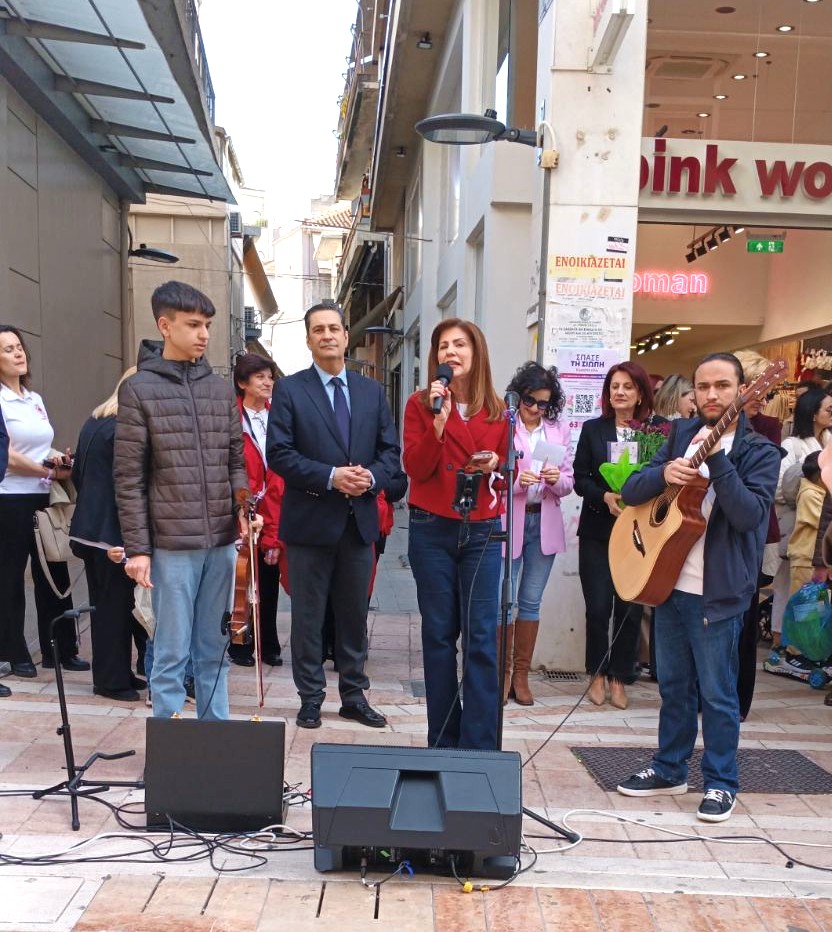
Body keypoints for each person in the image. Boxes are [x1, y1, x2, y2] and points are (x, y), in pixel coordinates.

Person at [616, 353, 780, 822]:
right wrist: (663, 473)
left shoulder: (760, 452)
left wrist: (718, 460)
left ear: (743, 391)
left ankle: (721, 781)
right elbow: (632, 491)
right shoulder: (679, 434)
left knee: (718, 693)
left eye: (722, 385)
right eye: (703, 386)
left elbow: (749, 516)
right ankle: (670, 768)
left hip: (717, 592)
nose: (711, 394)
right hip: (667, 584)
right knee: (673, 687)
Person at [115, 282, 250, 720]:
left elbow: (235, 460)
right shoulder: (139, 389)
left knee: (214, 651)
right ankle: (170, 747)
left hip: (221, 542)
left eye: (207, 325)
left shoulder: (219, 389)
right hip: (172, 545)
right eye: (193, 325)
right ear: (164, 325)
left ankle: (216, 741)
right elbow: (129, 477)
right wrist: (138, 549)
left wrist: (243, 508)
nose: (203, 334)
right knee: (171, 653)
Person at [267, 300, 401, 730]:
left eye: (333, 328)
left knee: (354, 615)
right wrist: (330, 477)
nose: (327, 335)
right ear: (308, 340)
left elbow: (390, 453)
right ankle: (310, 698)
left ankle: (353, 697)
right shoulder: (290, 390)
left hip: (358, 523)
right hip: (309, 523)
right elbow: (279, 454)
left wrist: (370, 478)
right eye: (318, 329)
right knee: (308, 617)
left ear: (346, 336)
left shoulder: (371, 392)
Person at [403, 318, 506, 749]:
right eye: (443, 345)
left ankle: (479, 746)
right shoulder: (419, 404)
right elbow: (415, 467)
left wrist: (496, 464)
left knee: (481, 637)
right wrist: (438, 425)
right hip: (431, 528)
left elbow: (507, 465)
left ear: (476, 352)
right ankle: (443, 742)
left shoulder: (498, 410)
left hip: (482, 530)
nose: (451, 352)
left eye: (460, 344)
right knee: (439, 636)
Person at [0, 324, 88, 694]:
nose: (17, 353)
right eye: (7, 349)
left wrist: (58, 461)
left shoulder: (34, 398)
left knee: (54, 568)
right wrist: (44, 470)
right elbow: (6, 455)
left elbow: (40, 447)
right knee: (10, 577)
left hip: (44, 495)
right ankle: (13, 651)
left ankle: (60, 649)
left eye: (19, 346)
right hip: (10, 496)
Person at [574, 361, 655, 710]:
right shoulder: (593, 429)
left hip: (638, 535)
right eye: (614, 387)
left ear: (640, 394)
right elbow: (580, 479)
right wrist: (604, 496)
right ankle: (596, 672)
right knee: (597, 607)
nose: (619, 393)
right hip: (597, 531)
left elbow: (660, 477)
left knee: (629, 609)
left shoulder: (651, 433)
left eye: (627, 387)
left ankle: (620, 676)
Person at [70, 368, 147, 701]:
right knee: (114, 609)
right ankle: (110, 681)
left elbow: (78, 473)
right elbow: (128, 486)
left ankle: (118, 673)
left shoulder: (96, 420)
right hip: (111, 532)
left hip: (91, 527)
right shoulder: (123, 429)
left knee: (110, 606)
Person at [501, 362, 573, 706]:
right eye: (529, 400)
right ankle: (502, 674)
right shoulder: (504, 424)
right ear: (519, 396)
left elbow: (569, 483)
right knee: (504, 602)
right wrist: (517, 481)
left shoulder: (559, 430)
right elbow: (492, 477)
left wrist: (556, 479)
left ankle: (521, 676)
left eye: (543, 403)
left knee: (530, 601)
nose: (534, 408)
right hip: (510, 521)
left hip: (543, 522)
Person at [732, 350, 782, 720]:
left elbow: (760, 487)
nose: (762, 398)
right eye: (756, 389)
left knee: (746, 616)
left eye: (767, 392)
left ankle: (739, 698)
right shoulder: (702, 425)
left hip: (755, 531)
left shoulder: (768, 427)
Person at [230, 353, 286, 670]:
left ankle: (268, 641)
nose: (267, 382)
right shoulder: (231, 418)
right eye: (260, 377)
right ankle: (239, 640)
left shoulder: (279, 417)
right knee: (241, 578)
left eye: (270, 376)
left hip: (273, 503)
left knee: (268, 574)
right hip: (241, 506)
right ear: (242, 382)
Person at [770, 389, 832, 648]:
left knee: (811, 590)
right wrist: (810, 485)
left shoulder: (829, 440)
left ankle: (802, 643)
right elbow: (777, 488)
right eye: (828, 409)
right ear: (813, 413)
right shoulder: (792, 445)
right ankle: (782, 641)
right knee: (789, 586)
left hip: (822, 526)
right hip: (800, 525)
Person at [788, 452, 826, 596]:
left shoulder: (820, 492)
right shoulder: (809, 494)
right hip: (805, 562)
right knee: (805, 606)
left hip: (815, 561)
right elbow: (824, 522)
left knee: (817, 605)